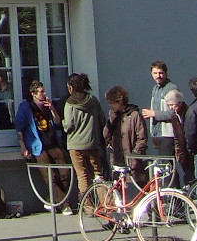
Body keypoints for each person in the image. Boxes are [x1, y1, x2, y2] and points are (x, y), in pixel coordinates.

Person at [15, 79, 73, 212]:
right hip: (37, 146)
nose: (44, 94)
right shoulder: (26, 107)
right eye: (41, 92)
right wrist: (23, 146)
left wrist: (52, 109)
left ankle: (50, 201)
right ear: (33, 94)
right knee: (50, 175)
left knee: (65, 172)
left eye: (43, 91)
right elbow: (19, 127)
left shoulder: (47, 105)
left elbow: (58, 123)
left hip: (52, 143)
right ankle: (65, 205)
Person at [62, 72, 106, 200]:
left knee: (82, 176)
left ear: (71, 87)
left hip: (75, 145)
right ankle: (105, 204)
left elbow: (69, 125)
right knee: (98, 174)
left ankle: (88, 207)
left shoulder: (69, 103)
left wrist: (63, 124)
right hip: (92, 143)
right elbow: (102, 120)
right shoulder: (93, 100)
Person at [103, 85, 149, 189]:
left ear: (119, 101)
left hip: (133, 162)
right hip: (118, 160)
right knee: (119, 191)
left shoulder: (134, 115)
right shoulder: (114, 116)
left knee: (135, 192)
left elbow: (142, 138)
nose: (111, 106)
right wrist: (111, 121)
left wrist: (135, 155)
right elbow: (105, 135)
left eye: (112, 103)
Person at [149, 89, 191, 186]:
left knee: (189, 173)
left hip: (189, 147)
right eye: (169, 105)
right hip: (182, 147)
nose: (171, 108)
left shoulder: (188, 112)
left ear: (179, 102)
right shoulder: (174, 116)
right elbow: (177, 135)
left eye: (173, 105)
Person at [142, 61, 180, 158]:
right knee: (163, 164)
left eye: (161, 73)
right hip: (158, 134)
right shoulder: (155, 89)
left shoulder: (171, 88)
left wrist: (154, 114)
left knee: (167, 164)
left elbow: (174, 113)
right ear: (151, 74)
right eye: (155, 73)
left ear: (166, 73)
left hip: (168, 135)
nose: (158, 76)